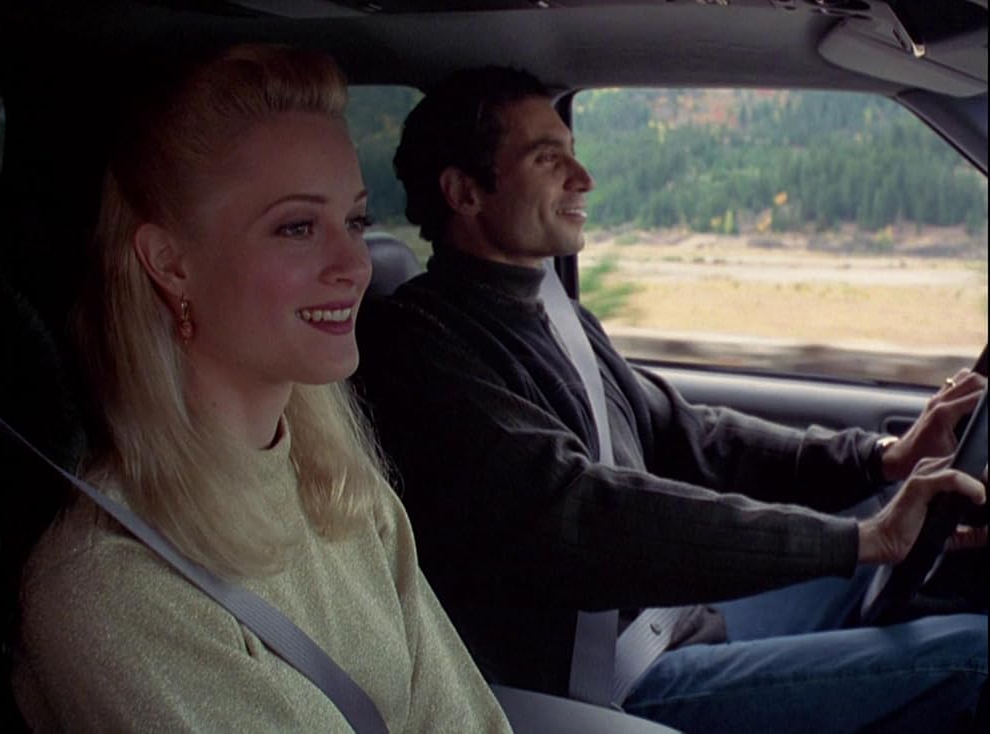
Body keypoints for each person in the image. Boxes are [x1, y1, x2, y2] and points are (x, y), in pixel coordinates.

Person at [353, 66, 988, 733]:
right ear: (464, 192)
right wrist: (863, 539)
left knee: (892, 544)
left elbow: (691, 436)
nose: (583, 178)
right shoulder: (422, 350)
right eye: (547, 159)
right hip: (607, 684)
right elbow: (581, 513)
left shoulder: (555, 312)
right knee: (973, 658)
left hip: (671, 622)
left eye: (572, 152)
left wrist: (882, 458)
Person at [9, 46, 512, 732]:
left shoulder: (341, 490)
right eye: (297, 227)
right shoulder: (112, 587)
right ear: (170, 264)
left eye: (356, 221)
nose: (354, 264)